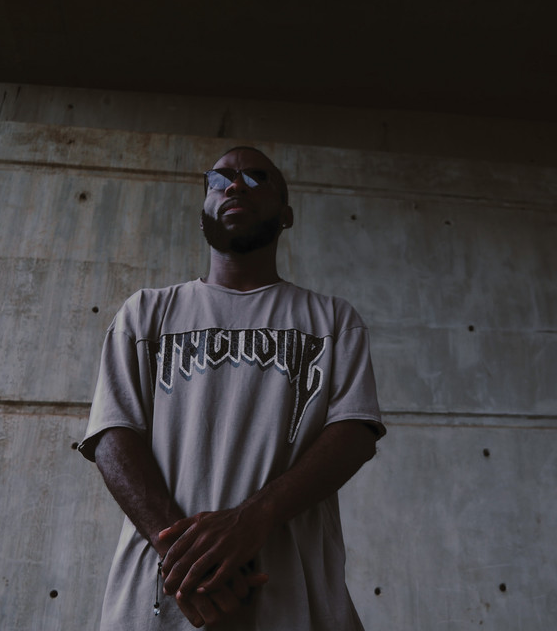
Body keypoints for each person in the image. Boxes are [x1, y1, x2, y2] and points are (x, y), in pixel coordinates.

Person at [79, 146, 386, 630]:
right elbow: (112, 437)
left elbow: (354, 434)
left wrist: (254, 518)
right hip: (167, 594)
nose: (236, 186)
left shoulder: (331, 320)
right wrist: (189, 560)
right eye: (219, 180)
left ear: (286, 214)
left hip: (293, 595)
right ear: (203, 210)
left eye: (256, 178)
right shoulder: (146, 313)